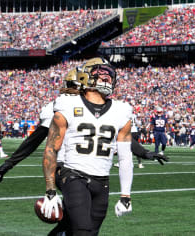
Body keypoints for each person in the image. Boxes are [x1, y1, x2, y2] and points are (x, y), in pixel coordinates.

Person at [0, 67, 168, 183]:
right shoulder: (62, 106)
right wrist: (9, 164)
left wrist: (145, 153)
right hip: (67, 169)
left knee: (83, 223)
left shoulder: (96, 106)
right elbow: (35, 140)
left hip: (93, 171)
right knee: (82, 222)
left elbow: (120, 137)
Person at [40, 58, 134, 235]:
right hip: (74, 175)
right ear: (85, 77)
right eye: (101, 75)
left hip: (102, 181)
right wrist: (50, 190)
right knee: (82, 231)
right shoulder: (68, 104)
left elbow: (125, 157)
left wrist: (125, 195)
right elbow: (51, 148)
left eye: (109, 76)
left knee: (90, 232)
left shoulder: (122, 110)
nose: (106, 79)